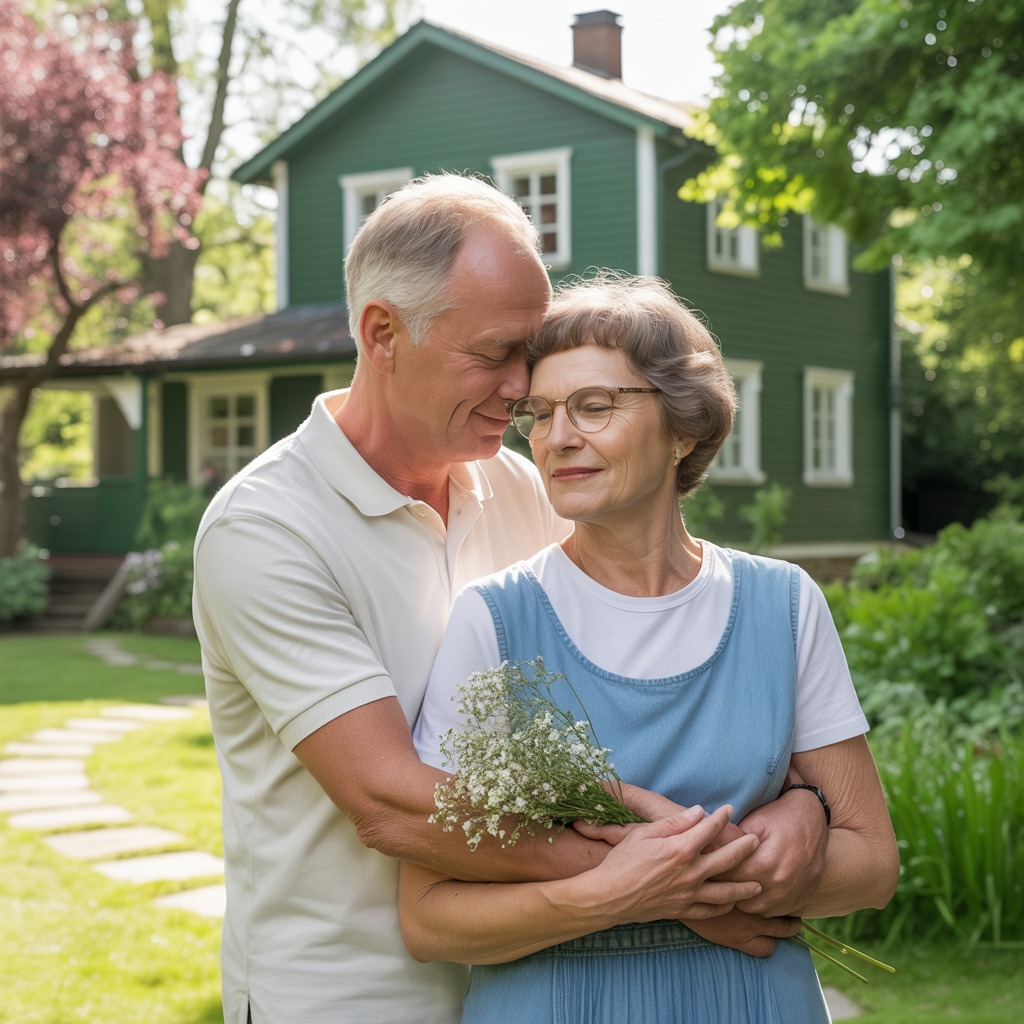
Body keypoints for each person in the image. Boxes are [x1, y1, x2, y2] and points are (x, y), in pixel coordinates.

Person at [193, 175, 832, 1024]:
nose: (525, 386)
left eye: (530, 351)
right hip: (351, 993)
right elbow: (390, 801)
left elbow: (629, 703)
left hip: (525, 979)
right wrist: (673, 881)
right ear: (383, 333)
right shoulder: (267, 528)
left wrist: (804, 804)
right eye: (496, 353)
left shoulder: (522, 489)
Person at [404, 273, 900, 1023]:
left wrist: (802, 820)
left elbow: (871, 867)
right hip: (555, 1003)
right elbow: (429, 915)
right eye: (539, 414)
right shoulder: (494, 620)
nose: (558, 436)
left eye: (594, 406)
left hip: (755, 997)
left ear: (684, 427)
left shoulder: (783, 603)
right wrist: (614, 894)